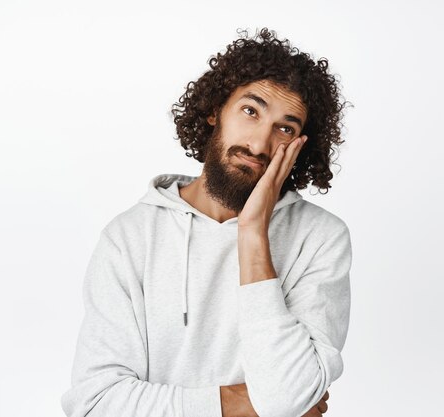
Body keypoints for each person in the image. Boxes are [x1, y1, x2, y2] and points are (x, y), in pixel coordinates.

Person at [61, 27, 352, 417]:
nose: (259, 144)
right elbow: (94, 403)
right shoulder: (130, 237)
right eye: (251, 111)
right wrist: (240, 403)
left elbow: (285, 397)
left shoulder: (320, 239)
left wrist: (253, 234)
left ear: (301, 145)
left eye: (285, 128)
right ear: (215, 110)